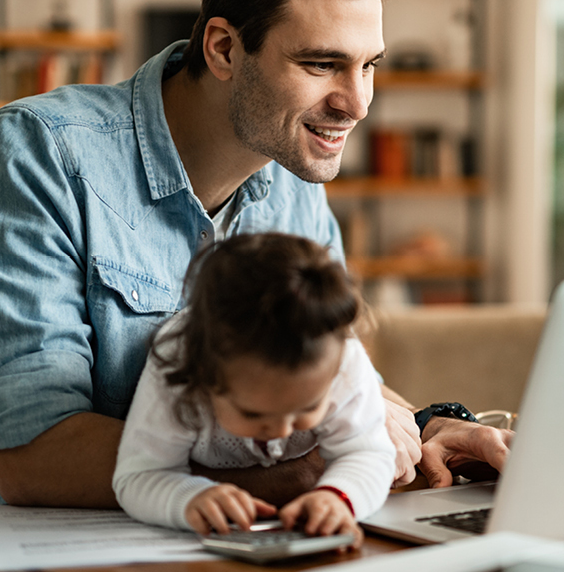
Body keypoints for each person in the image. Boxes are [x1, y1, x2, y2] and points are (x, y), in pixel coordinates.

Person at [0, 0, 513, 521]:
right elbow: (30, 456)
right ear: (225, 49)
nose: (358, 102)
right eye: (323, 64)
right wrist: (303, 476)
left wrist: (430, 430)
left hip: (195, 547)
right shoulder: (42, 153)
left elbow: (328, 377)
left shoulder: (294, 186)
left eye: (369, 65)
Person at [114, 233, 392, 549]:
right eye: (253, 413)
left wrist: (339, 496)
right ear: (205, 376)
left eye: (307, 409)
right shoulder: (178, 361)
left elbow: (368, 452)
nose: (281, 429)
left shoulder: (343, 356)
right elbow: (138, 474)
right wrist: (188, 497)